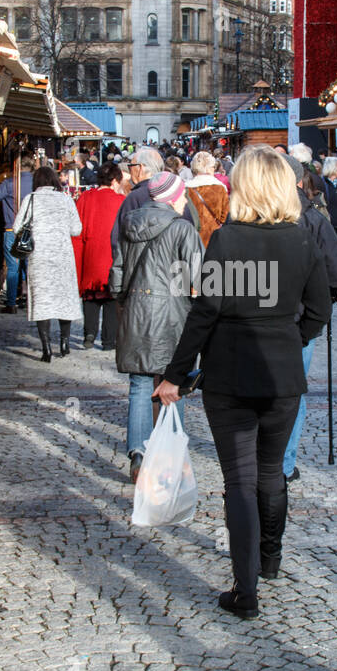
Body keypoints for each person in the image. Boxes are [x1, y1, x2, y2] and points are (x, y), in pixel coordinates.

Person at [156, 147, 331, 619]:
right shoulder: (301, 239)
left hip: (231, 374)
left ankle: (245, 587)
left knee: (240, 480)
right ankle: (269, 560)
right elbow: (320, 307)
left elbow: (205, 313)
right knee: (271, 472)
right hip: (281, 373)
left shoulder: (228, 241)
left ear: (246, 188)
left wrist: (175, 373)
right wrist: (294, 337)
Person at [110, 171, 203, 483]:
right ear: (174, 197)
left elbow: (118, 271)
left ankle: (138, 454)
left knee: (139, 384)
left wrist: (125, 301)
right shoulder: (182, 228)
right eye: (182, 196)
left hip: (136, 310)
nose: (184, 200)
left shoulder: (128, 223)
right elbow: (197, 278)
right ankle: (170, 454)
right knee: (172, 383)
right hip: (172, 313)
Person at [281, 154, 337, 486]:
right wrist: (327, 298)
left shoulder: (246, 213)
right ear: (298, 182)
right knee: (293, 392)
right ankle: (283, 462)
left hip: (256, 321)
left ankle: (264, 458)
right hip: (298, 321)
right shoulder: (312, 217)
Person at [15, 163, 82, 361]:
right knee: (64, 299)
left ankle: (46, 349)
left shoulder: (31, 199)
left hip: (40, 257)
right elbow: (76, 229)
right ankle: (64, 343)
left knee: (42, 302)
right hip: (63, 257)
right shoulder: (66, 199)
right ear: (54, 180)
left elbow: (18, 226)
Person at [73, 162, 124, 349]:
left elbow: (77, 229)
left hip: (91, 253)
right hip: (112, 255)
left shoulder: (85, 198)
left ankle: (89, 334)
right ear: (114, 181)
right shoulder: (120, 201)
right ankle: (109, 340)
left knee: (90, 296)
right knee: (111, 299)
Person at [0, 158, 34, 312]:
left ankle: (11, 303)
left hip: (12, 229)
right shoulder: (36, 183)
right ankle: (29, 299)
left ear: (16, 168)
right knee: (29, 266)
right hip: (31, 230)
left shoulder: (9, 184)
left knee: (13, 268)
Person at [184, 151, 229, 247]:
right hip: (213, 237)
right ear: (208, 168)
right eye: (213, 167)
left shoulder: (186, 188)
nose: (214, 169)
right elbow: (224, 217)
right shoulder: (220, 188)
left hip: (191, 237)